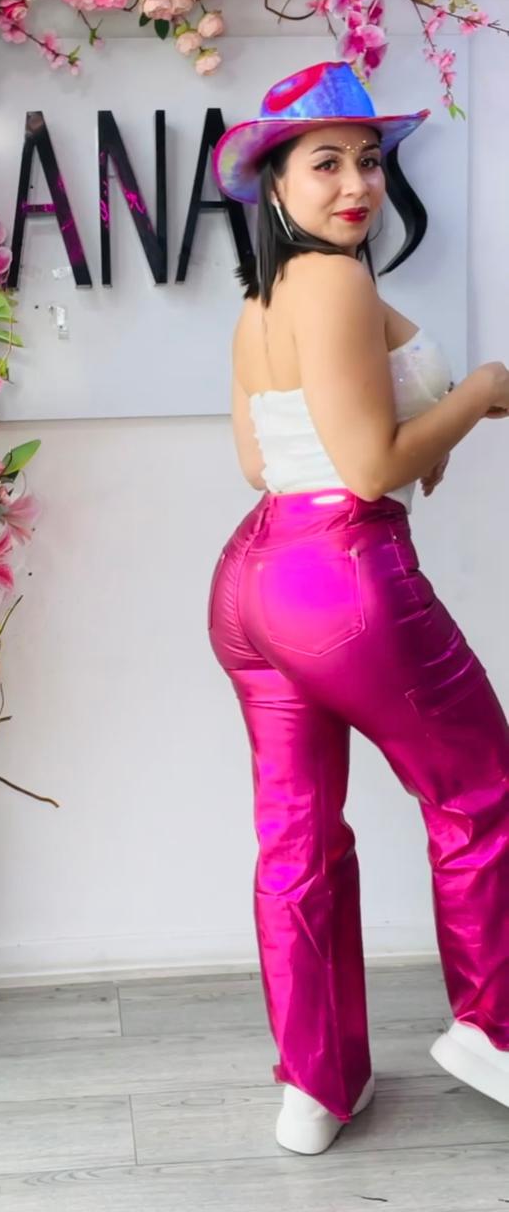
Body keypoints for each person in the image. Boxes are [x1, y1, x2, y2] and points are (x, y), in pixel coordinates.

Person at [207, 59, 509, 1157]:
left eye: (371, 162)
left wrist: (425, 410)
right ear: (275, 182)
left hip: (252, 579)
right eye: (325, 162)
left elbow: (260, 461)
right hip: (341, 571)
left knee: (296, 838)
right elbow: (373, 464)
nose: (357, 184)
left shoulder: (265, 300)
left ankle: (315, 1083)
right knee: (481, 790)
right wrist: (478, 394)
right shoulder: (333, 284)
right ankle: (492, 1028)